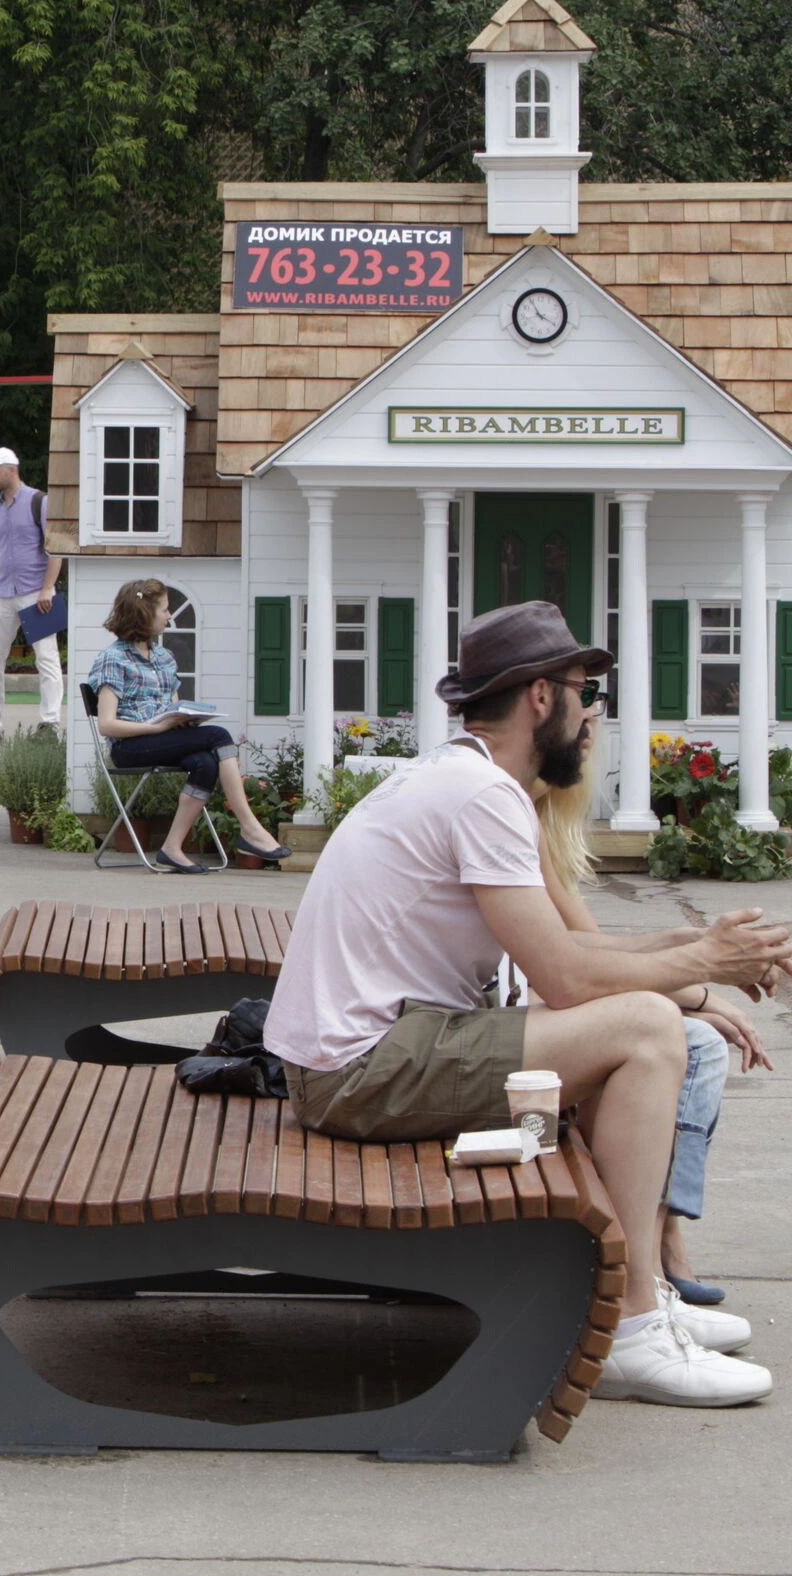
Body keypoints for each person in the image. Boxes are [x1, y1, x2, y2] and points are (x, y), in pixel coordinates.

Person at [264, 599, 791, 1406]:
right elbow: (568, 981)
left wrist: (699, 958)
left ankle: (628, 1299)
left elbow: (569, 954)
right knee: (649, 1031)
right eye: (585, 688)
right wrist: (697, 965)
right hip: (361, 1069)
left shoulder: (464, 777)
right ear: (542, 697)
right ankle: (630, 1325)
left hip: (377, 1054)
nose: (590, 710)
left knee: (659, 1022)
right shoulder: (483, 795)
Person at [532, 736, 769, 1308]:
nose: (589, 743)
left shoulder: (533, 820)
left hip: (496, 1017)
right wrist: (700, 988)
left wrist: (698, 983)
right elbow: (564, 966)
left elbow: (594, 946)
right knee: (689, 1043)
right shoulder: (506, 814)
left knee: (689, 1033)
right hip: (483, 1024)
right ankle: (649, 1264)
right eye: (582, 726)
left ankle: (657, 1247)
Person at [85, 578, 288, 871]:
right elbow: (107, 725)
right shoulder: (112, 659)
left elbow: (173, 707)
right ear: (144, 612)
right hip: (130, 746)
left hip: (160, 739)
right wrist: (156, 728)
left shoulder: (164, 657)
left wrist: (183, 719)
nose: (170, 616)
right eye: (165, 610)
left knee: (205, 762)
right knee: (219, 735)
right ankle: (250, 828)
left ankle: (171, 848)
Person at [0, 448, 63, 744]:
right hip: (2, 591)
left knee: (47, 657)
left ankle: (50, 723)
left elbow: (56, 548)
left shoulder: (40, 501)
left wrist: (48, 587)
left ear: (11, 469)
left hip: (36, 593)